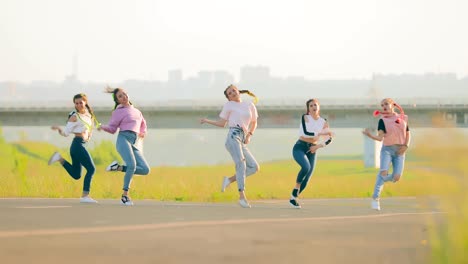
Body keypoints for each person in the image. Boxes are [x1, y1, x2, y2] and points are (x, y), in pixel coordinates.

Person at [200, 84, 260, 208]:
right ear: (229, 98)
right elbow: (222, 123)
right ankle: (242, 197)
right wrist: (207, 121)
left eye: (233, 90)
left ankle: (229, 180)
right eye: (229, 93)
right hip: (233, 136)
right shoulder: (229, 105)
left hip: (243, 137)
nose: (232, 93)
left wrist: (249, 135)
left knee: (254, 167)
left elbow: (254, 123)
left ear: (238, 91)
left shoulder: (249, 105)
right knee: (241, 164)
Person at [98, 87, 150, 206]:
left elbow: (143, 123)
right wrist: (102, 126)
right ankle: (124, 196)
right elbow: (112, 129)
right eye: (120, 96)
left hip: (132, 142)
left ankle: (118, 167)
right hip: (123, 140)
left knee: (145, 169)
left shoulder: (136, 111)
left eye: (125, 94)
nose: (124, 97)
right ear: (117, 100)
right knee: (132, 165)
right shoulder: (118, 112)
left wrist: (143, 132)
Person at [48, 93, 100, 203]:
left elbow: (90, 128)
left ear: (85, 102)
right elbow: (66, 133)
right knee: (91, 169)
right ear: (74, 104)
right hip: (77, 145)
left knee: (76, 175)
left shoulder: (88, 115)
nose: (79, 105)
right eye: (76, 103)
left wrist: (89, 135)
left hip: (80, 145)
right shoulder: (74, 116)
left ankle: (59, 158)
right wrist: (58, 129)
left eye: (81, 102)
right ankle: (85, 196)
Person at [362, 98, 410, 211]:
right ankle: (375, 197)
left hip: (400, 151)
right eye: (382, 105)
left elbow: (408, 134)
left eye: (386, 104)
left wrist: (405, 146)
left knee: (396, 177)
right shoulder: (382, 120)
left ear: (393, 105)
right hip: (387, 150)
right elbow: (380, 138)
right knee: (383, 172)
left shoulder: (403, 117)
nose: (384, 106)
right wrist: (369, 135)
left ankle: (381, 177)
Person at [288, 98, 333, 209]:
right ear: (308, 109)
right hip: (300, 147)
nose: (313, 107)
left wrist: (317, 146)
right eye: (311, 105)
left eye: (315, 105)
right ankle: (295, 189)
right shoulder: (305, 118)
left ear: (319, 107)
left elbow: (329, 138)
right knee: (306, 167)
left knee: (307, 178)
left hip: (313, 149)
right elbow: (305, 132)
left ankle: (293, 198)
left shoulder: (324, 121)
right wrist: (320, 132)